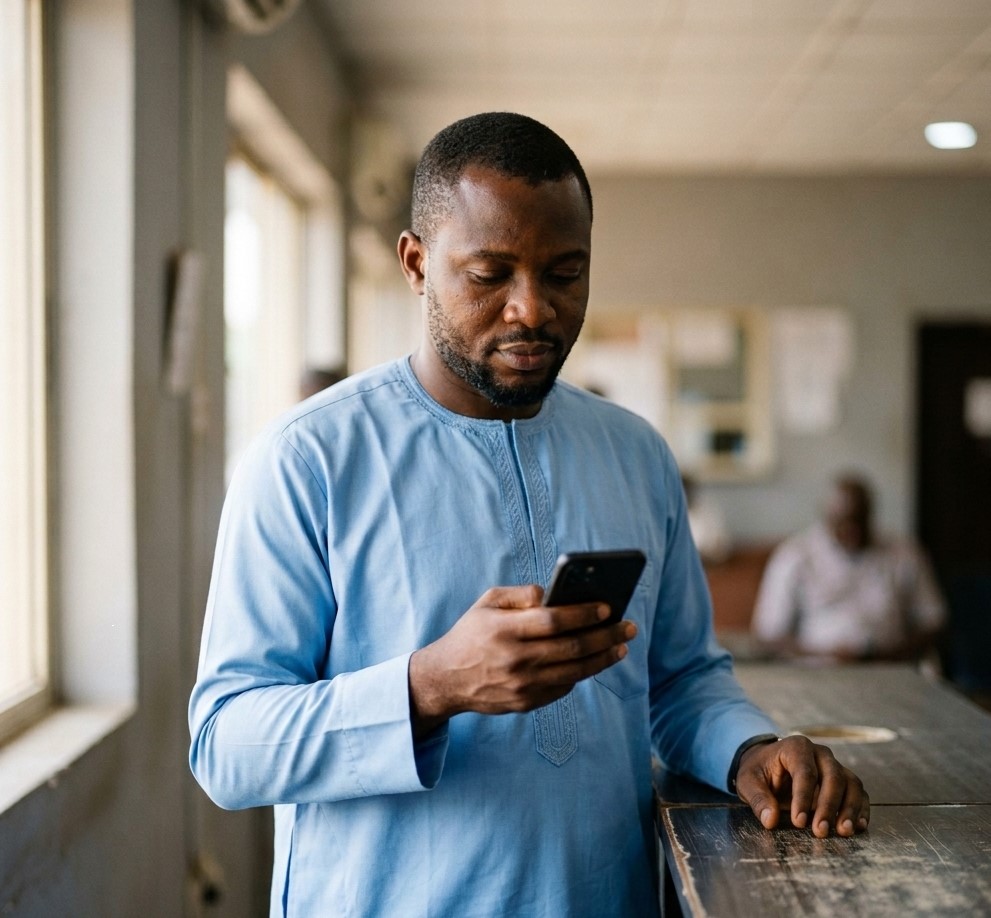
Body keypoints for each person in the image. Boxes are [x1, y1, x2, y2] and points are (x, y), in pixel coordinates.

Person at [189, 113, 869, 918]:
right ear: (415, 264)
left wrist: (748, 748)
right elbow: (226, 746)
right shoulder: (308, 460)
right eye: (489, 274)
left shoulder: (634, 456)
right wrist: (428, 686)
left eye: (563, 273)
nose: (532, 310)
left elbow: (680, 679)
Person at [752, 472, 947, 663]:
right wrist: (827, 655)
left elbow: (933, 622)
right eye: (842, 522)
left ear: (871, 513)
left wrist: (885, 657)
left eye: (858, 520)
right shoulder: (794, 556)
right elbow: (769, 635)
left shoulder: (905, 554)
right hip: (816, 673)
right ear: (825, 515)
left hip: (889, 668)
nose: (851, 530)